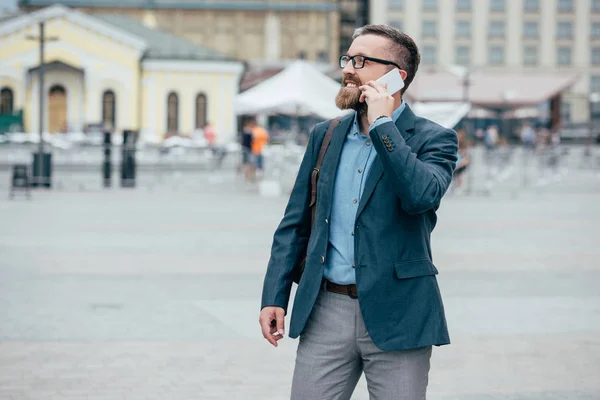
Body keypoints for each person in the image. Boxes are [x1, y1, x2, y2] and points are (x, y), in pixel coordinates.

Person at [259, 25, 458, 400]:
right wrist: (275, 295)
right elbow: (295, 223)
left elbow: (420, 196)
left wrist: (384, 126)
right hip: (325, 310)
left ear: (396, 77)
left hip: (399, 311)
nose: (348, 68)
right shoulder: (327, 134)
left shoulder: (435, 139)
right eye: (348, 58)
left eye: (362, 61)